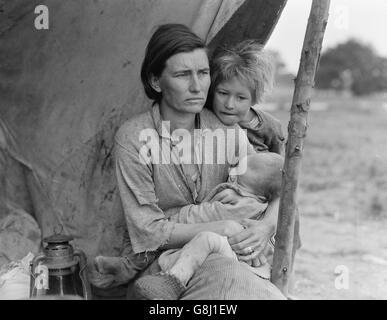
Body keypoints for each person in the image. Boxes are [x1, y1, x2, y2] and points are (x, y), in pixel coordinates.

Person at [89, 23, 285, 300]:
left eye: (203, 73)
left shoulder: (228, 132)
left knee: (239, 273)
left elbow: (272, 187)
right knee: (228, 279)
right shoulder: (134, 138)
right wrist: (220, 227)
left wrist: (266, 227)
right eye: (183, 75)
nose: (196, 86)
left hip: (227, 252)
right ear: (156, 81)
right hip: (165, 265)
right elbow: (149, 232)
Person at [134, 152, 284, 300]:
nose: (234, 169)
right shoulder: (265, 208)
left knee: (206, 240)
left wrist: (175, 218)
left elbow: (202, 216)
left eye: (241, 168)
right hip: (260, 267)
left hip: (237, 256)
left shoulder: (238, 203)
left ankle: (174, 279)